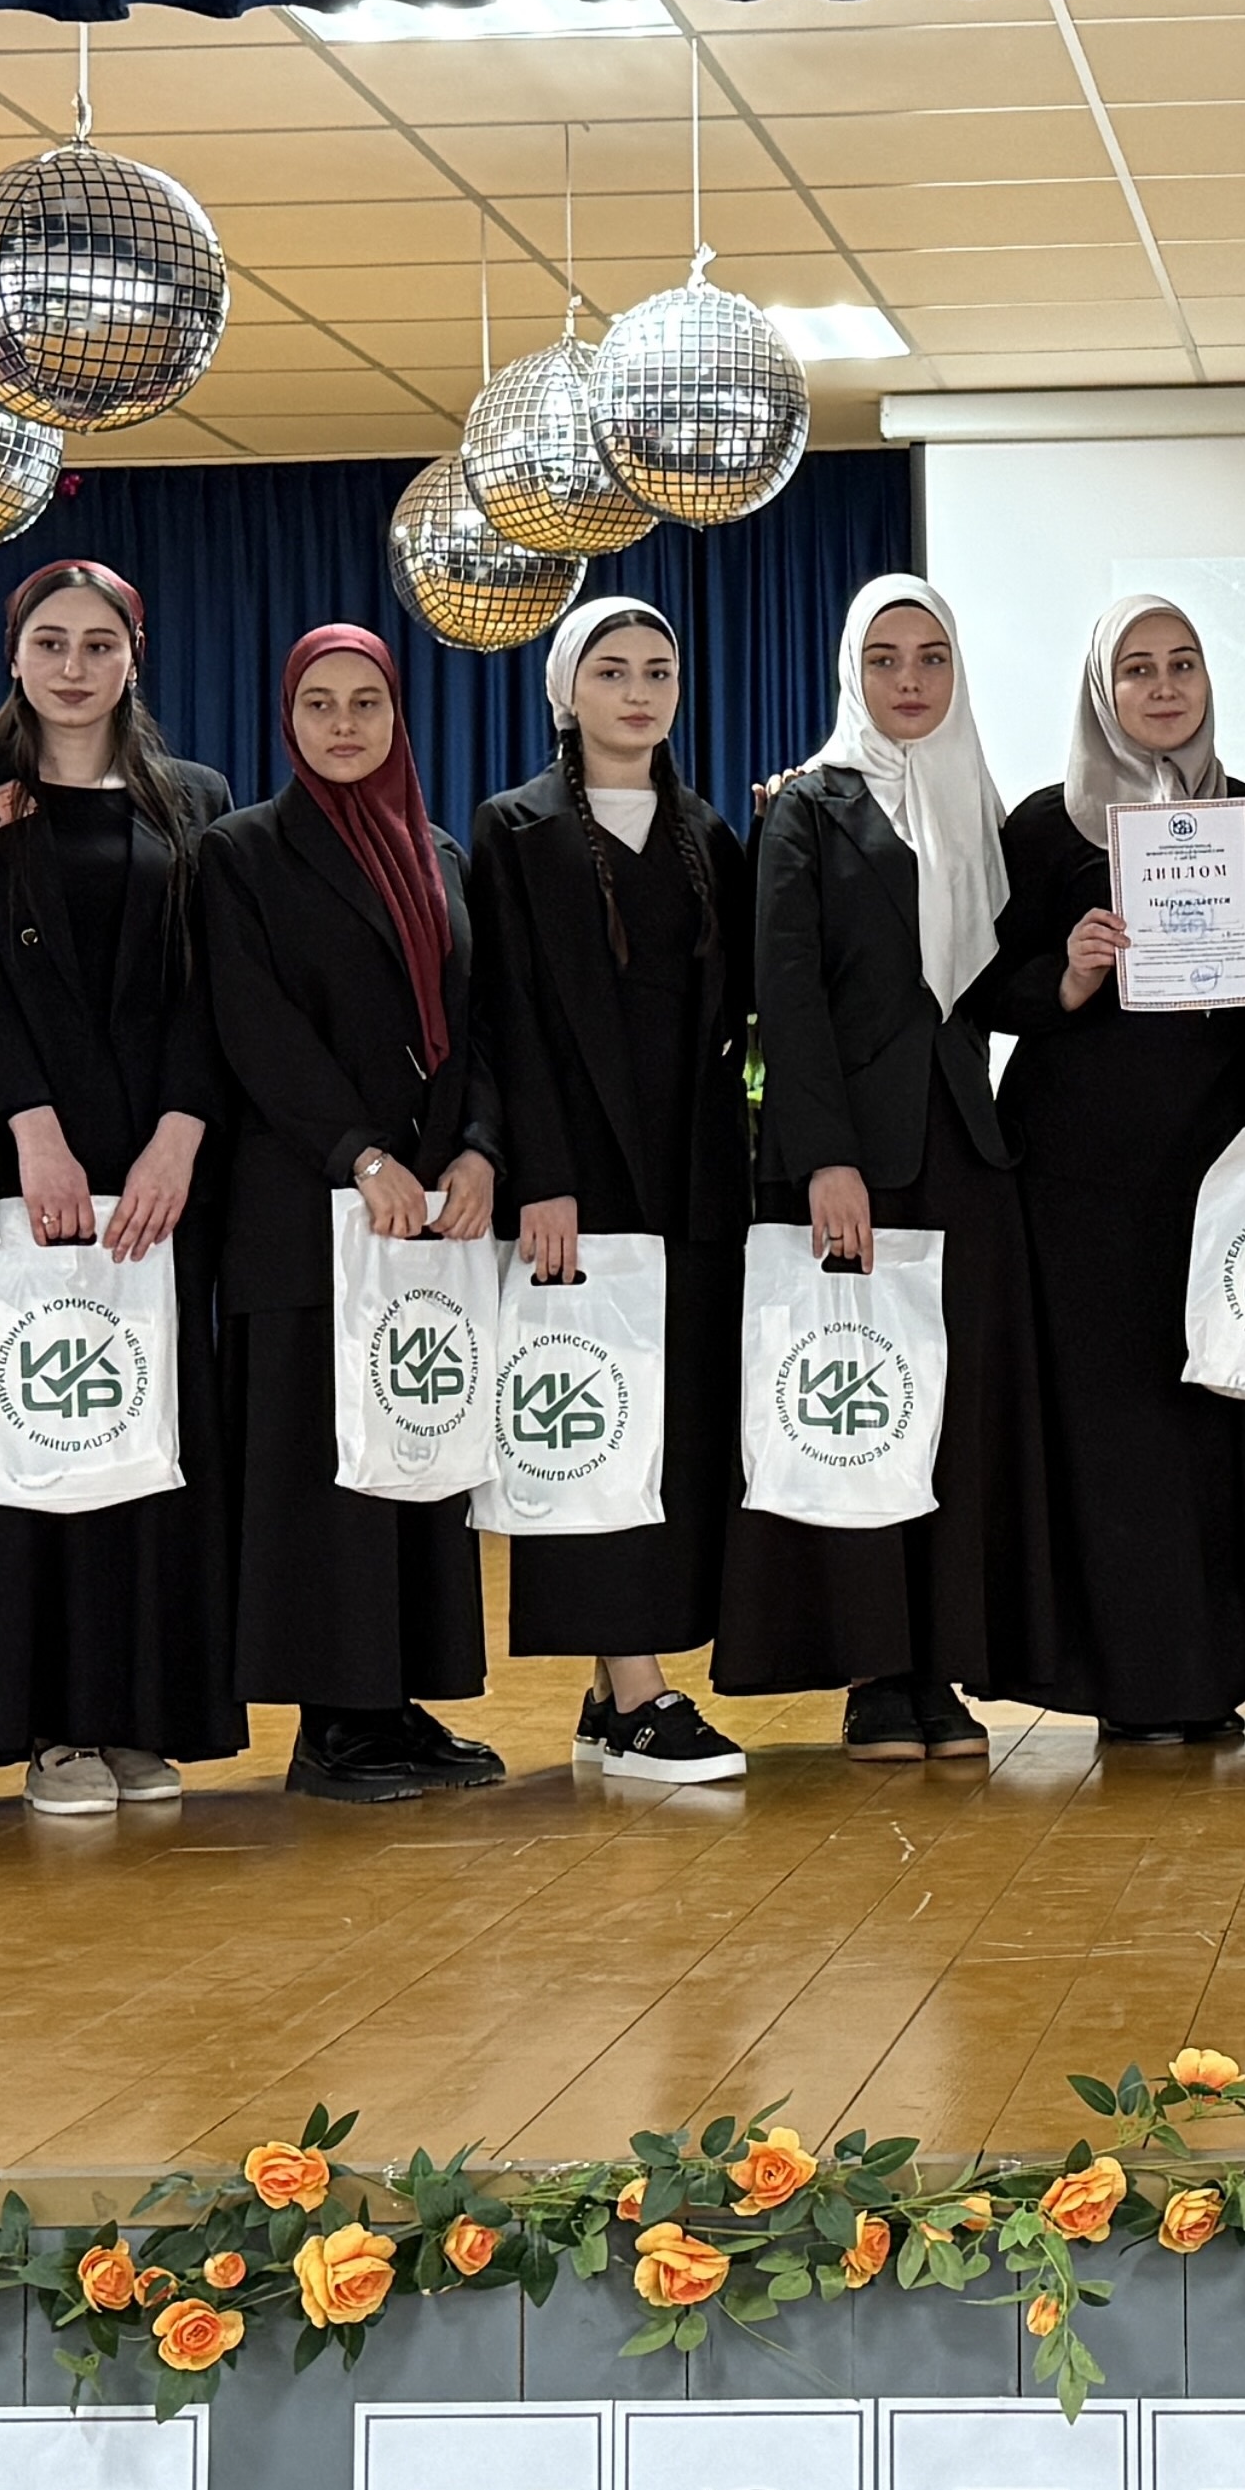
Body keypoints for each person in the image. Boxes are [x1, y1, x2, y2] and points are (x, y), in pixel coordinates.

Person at [964, 595, 1245, 1745]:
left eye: (1182, 665)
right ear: (1101, 690)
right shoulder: (1044, 826)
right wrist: (1067, 976)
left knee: (1215, 1423)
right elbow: (981, 989)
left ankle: (1214, 1673)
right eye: (1137, 669)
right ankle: (1128, 1684)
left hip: (1219, 1171)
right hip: (1080, 1180)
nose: (1163, 688)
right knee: (1109, 1432)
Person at [0, 560, 244, 1818]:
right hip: (28, 1166)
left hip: (161, 1171)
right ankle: (51, 1727)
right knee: (37, 1430)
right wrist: (33, 1130)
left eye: (98, 644)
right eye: (49, 641)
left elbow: (215, 986)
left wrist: (180, 1135)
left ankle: (141, 1714)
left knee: (150, 1441)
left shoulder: (195, 797)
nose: (72, 665)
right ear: (14, 654)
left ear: (133, 657)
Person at [200, 624, 508, 1805]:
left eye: (364, 702)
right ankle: (334, 1722)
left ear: (396, 716)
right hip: (304, 1211)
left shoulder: (438, 851)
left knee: (416, 1451)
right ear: (288, 720)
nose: (343, 724)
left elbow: (481, 1024)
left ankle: (397, 1700)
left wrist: (478, 1148)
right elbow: (253, 1027)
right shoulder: (242, 852)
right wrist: (357, 1152)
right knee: (321, 1472)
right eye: (319, 703)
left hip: (424, 1216)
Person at [736, 573, 1039, 1764]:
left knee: (950, 1416)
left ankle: (941, 1668)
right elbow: (787, 994)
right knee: (862, 1406)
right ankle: (874, 1672)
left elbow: (985, 989)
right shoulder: (807, 807)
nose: (910, 682)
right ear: (852, 673)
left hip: (964, 1152)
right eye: (885, 660)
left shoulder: (979, 805)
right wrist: (826, 1160)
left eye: (931, 658)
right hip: (855, 1160)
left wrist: (1070, 975)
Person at [465, 594, 756, 1785]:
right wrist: (542, 1177)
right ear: (566, 693)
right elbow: (507, 1018)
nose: (638, 693)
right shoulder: (513, 829)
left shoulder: (709, 835)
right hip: (576, 1181)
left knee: (670, 1429)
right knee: (591, 1423)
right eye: (613, 671)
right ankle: (639, 1694)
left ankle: (611, 1691)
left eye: (658, 672)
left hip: (692, 1177)